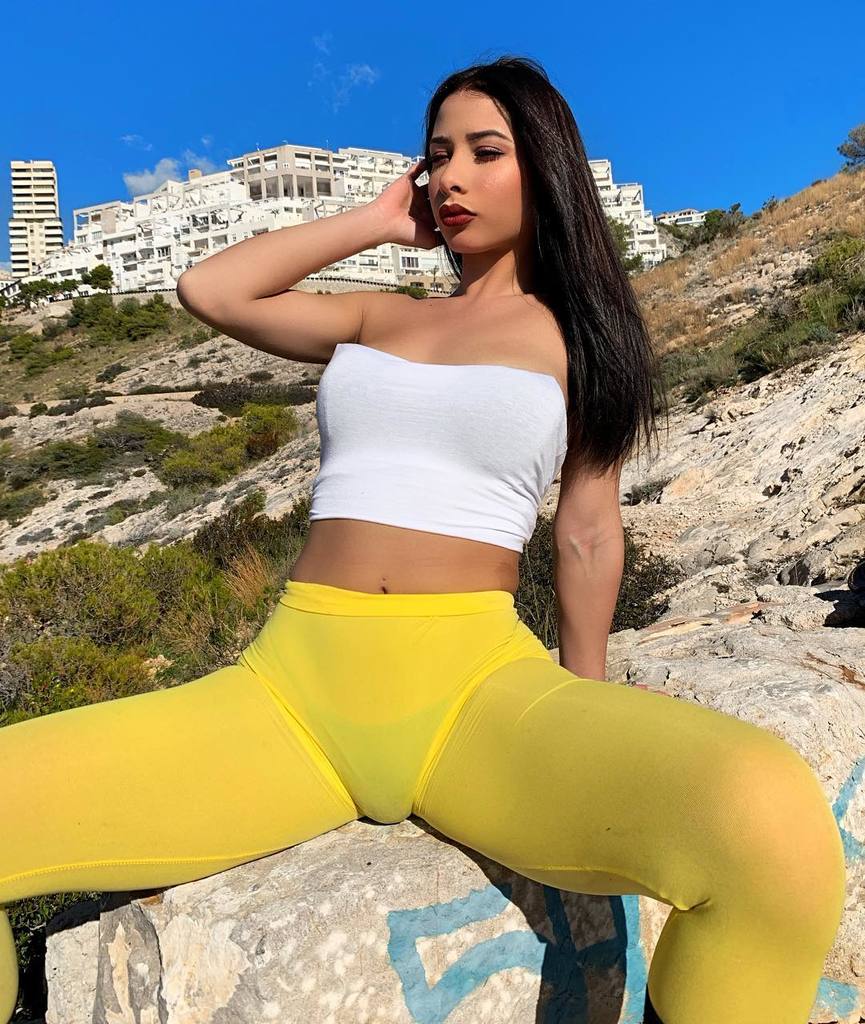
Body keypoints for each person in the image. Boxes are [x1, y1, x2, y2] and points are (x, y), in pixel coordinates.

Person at [0, 56, 846, 1024]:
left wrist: (587, 696)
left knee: (769, 825)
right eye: (436, 156)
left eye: (484, 152)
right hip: (289, 695)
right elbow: (211, 288)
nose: (450, 178)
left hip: (475, 693)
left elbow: (584, 531)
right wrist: (371, 222)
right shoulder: (379, 315)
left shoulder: (583, 340)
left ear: (546, 169)